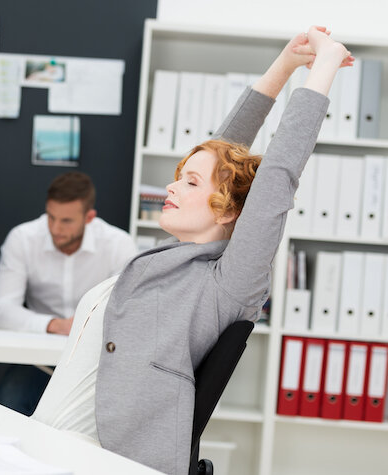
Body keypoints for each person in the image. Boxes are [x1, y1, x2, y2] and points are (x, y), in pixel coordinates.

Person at [32, 27, 353, 475]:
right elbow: (223, 149)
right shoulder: (172, 258)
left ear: (228, 211)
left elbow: (278, 174)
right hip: (43, 449)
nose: (171, 184)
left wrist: (323, 67)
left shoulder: (225, 285)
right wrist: (284, 65)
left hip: (100, 463)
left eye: (190, 182)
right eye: (180, 175)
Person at [0, 171, 138, 414]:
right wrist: (55, 325)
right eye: (51, 217)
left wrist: (84, 327)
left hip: (95, 362)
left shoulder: (118, 244)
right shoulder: (23, 238)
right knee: (10, 400)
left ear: (89, 217)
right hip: (36, 361)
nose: (55, 228)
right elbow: (1, 310)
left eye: (66, 221)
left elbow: (127, 312)